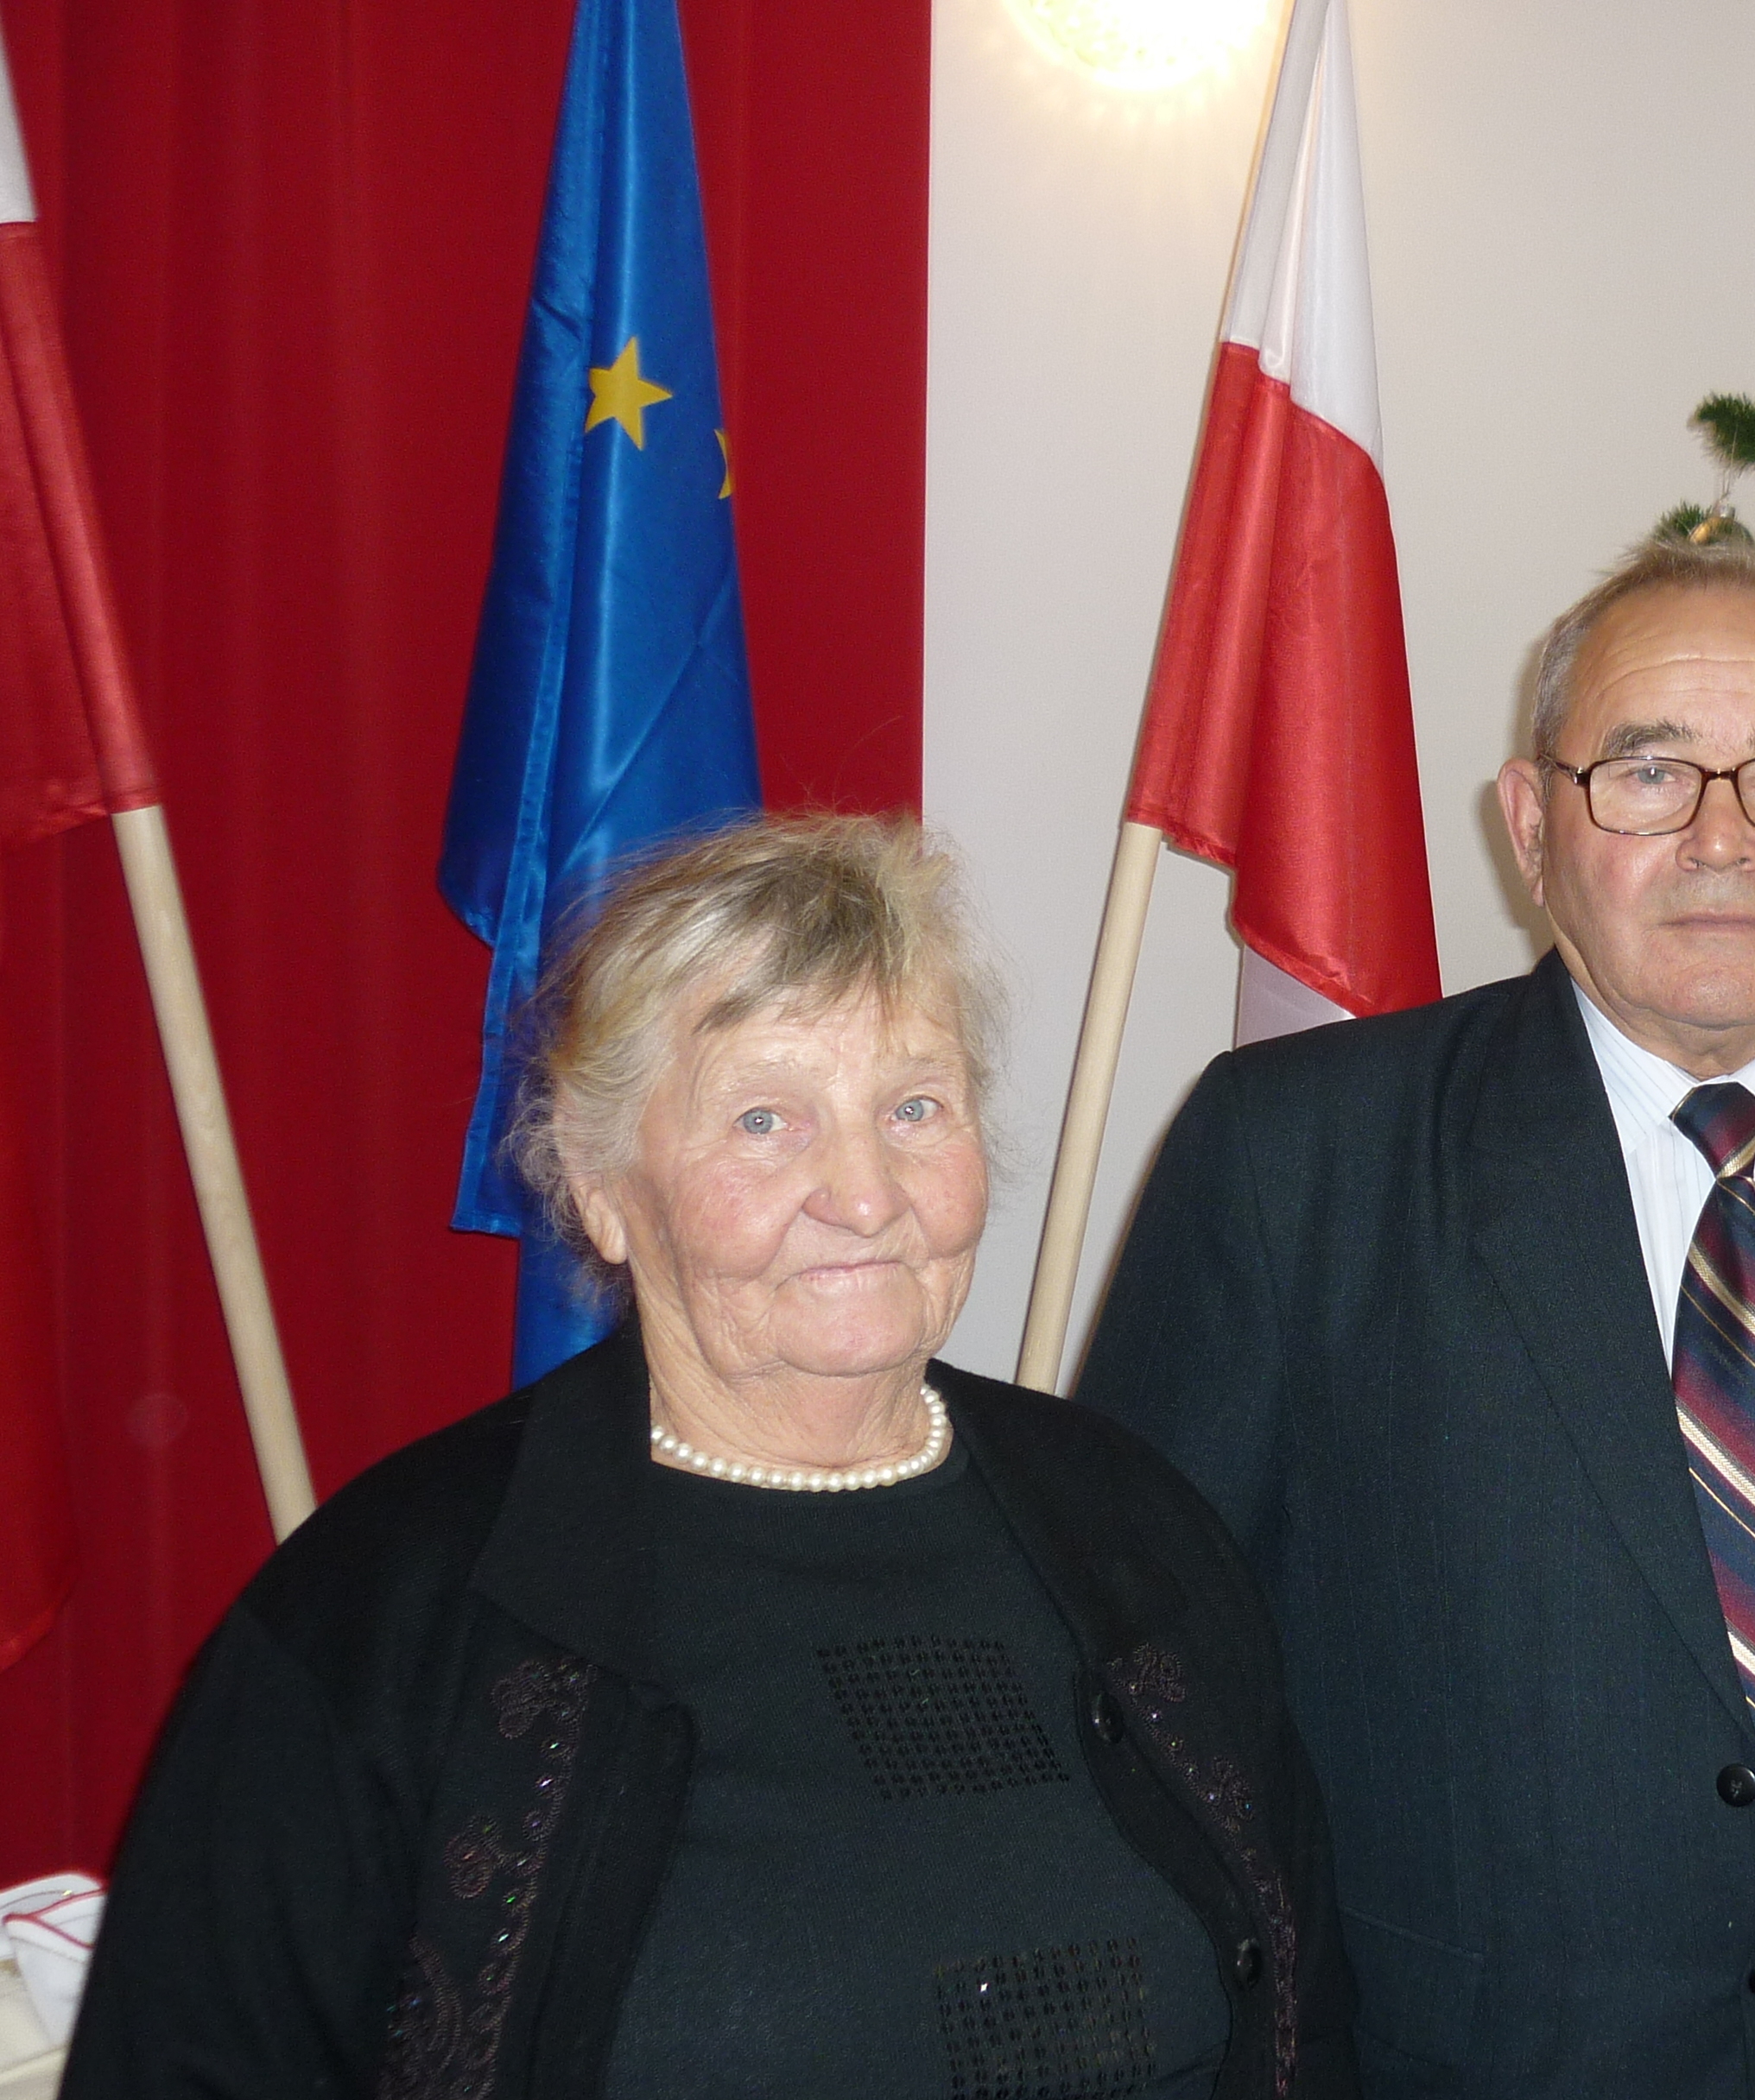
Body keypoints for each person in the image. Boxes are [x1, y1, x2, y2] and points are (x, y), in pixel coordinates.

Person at [66, 816, 1353, 2100]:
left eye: (913, 1107)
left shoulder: (1140, 1531)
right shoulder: (378, 1616)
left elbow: (1312, 2027)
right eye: (763, 1120)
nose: (865, 1194)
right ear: (601, 1184)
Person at [1076, 536, 1755, 2099]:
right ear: (1531, 826)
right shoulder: (1297, 1157)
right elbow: (1144, 1674)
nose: (1723, 839)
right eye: (1647, 773)